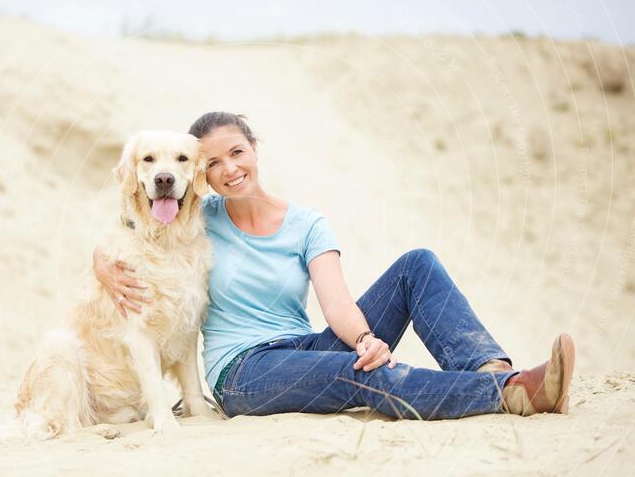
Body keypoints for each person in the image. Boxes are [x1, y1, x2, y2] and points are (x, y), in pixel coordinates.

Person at [93, 112, 575, 420]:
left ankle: (488, 367)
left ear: (254, 151)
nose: (230, 168)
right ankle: (510, 392)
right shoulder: (195, 216)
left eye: (237, 152)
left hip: (303, 346)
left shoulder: (306, 224)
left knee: (416, 265)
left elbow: (336, 301)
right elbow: (126, 226)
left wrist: (365, 339)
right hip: (245, 373)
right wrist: (101, 265)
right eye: (214, 162)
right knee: (362, 375)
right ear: (201, 174)